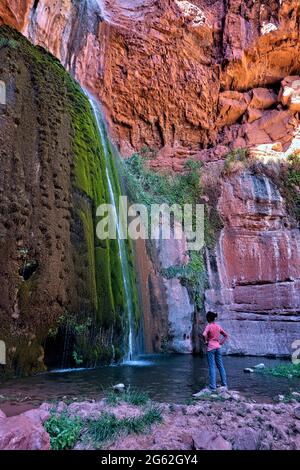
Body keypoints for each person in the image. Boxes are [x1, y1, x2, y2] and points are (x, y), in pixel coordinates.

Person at [202, 311, 229, 392]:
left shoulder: (208, 326)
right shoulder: (218, 326)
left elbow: (204, 335)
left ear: (209, 318)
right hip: (218, 347)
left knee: (212, 367)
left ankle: (213, 386)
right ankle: (224, 384)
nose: (206, 319)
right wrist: (221, 342)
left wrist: (206, 341)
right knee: (220, 366)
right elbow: (226, 335)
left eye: (207, 317)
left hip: (211, 348)